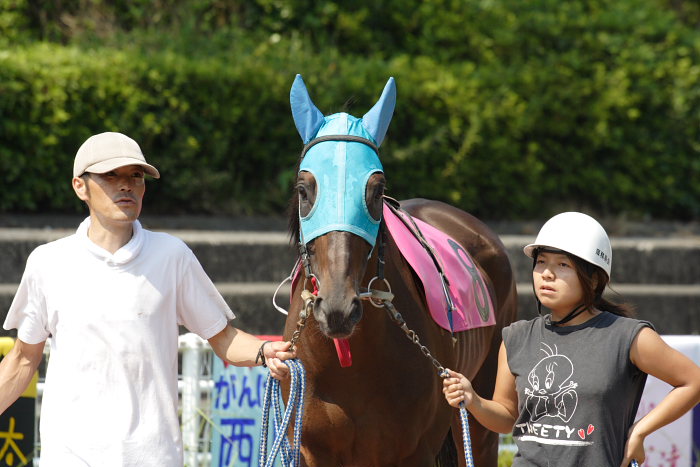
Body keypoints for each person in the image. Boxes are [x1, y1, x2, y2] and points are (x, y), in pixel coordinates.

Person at [0, 132, 295, 466]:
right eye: (111, 176)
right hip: (69, 457)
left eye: (135, 177)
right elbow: (23, 360)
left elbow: (223, 337)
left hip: (155, 458)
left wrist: (263, 351)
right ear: (79, 186)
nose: (126, 186)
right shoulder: (48, 263)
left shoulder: (172, 255)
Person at [443, 212, 700, 467]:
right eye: (541, 262)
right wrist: (474, 400)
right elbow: (508, 417)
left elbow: (693, 381)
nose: (546, 274)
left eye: (562, 265)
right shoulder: (516, 337)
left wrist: (640, 430)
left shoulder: (627, 336)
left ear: (595, 278)